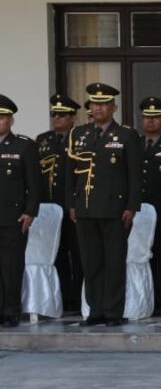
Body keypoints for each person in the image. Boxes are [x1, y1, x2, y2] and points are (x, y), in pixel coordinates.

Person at [64, 82, 142, 327]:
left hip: (115, 210)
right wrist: (71, 203)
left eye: (104, 104)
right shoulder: (78, 134)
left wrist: (131, 206)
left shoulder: (126, 135)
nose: (98, 108)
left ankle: (113, 312)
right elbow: (70, 174)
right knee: (91, 262)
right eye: (94, 104)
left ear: (114, 107)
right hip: (85, 208)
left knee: (114, 262)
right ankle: (95, 310)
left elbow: (135, 175)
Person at [37, 93, 84, 312]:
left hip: (72, 205)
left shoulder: (80, 138)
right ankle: (63, 295)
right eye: (54, 114)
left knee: (78, 252)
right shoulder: (43, 140)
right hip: (49, 206)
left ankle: (78, 296)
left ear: (73, 117)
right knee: (55, 253)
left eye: (62, 115)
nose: (57, 118)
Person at [0, 94, 39, 328]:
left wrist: (30, 211)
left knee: (12, 265)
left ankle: (11, 310)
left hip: (12, 216)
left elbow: (34, 183)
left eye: (3, 117)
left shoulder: (23, 145)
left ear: (11, 120)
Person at [138, 96, 161, 315]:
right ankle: (144, 298)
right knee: (141, 256)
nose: (150, 122)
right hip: (139, 211)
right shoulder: (135, 144)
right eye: (146, 118)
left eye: (155, 118)